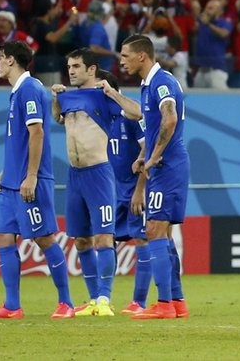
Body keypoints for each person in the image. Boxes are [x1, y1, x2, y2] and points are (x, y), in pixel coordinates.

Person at [0, 40, 74, 319]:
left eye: (0, 58)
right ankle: (12, 305)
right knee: (2, 236)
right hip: (13, 181)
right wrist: (6, 173)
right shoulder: (17, 92)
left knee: (44, 238)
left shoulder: (31, 89)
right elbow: (20, 141)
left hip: (30, 180)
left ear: (11, 60)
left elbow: (37, 133)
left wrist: (30, 176)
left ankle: (66, 304)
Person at [50, 48, 141, 317]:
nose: (71, 70)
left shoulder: (102, 96)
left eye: (77, 66)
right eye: (69, 66)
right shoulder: (67, 96)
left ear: (91, 69)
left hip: (99, 174)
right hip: (74, 175)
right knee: (80, 241)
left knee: (104, 238)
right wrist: (55, 99)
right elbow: (57, 118)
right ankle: (92, 300)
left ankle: (104, 298)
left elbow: (136, 113)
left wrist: (112, 92)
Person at [113, 34, 190, 320]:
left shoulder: (162, 82)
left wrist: (155, 154)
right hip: (164, 165)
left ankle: (164, 304)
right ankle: (177, 302)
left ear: (142, 56)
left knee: (155, 231)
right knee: (164, 234)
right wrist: (145, 157)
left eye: (125, 55)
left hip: (168, 166)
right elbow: (157, 124)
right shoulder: (148, 86)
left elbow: (169, 119)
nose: (122, 60)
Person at [101, 68, 151, 316]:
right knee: (105, 239)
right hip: (110, 192)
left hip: (134, 191)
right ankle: (102, 299)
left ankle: (139, 302)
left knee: (143, 239)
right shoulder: (101, 117)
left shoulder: (130, 115)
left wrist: (139, 190)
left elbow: (148, 150)